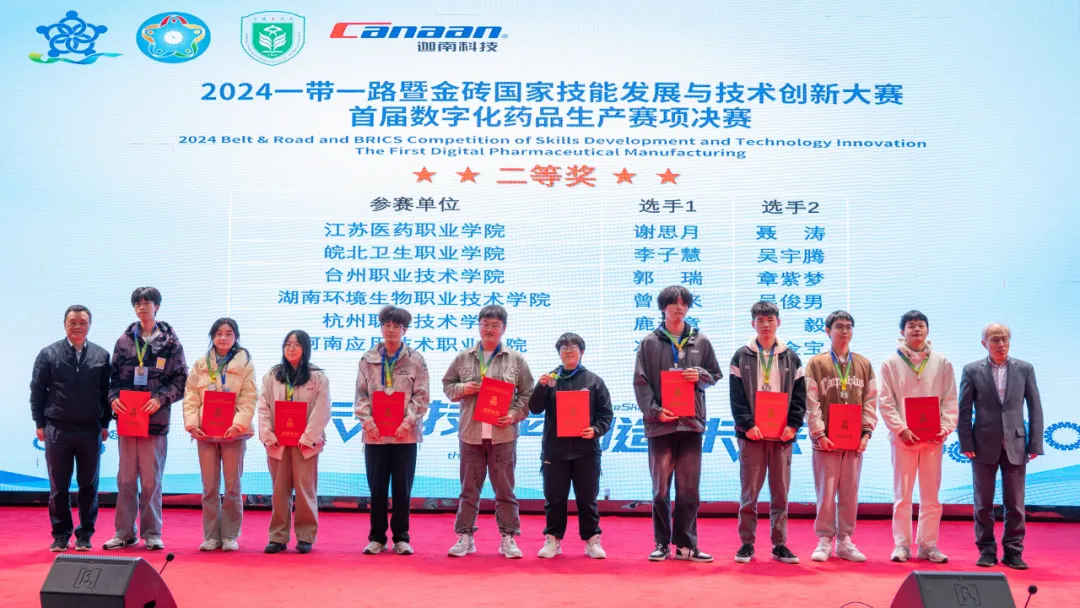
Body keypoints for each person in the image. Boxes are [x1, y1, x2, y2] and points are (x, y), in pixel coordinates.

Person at [634, 286, 722, 563]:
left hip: (691, 425)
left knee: (689, 489)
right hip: (660, 425)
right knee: (660, 490)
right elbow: (640, 383)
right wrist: (656, 412)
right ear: (663, 307)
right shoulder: (649, 343)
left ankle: (686, 545)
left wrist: (701, 375)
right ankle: (662, 543)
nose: (679, 308)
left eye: (684, 303)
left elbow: (715, 375)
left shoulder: (701, 341)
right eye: (674, 303)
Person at [443, 305, 535, 559]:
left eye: (495, 325)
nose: (489, 329)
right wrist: (463, 388)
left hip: (503, 435)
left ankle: (508, 538)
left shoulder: (516, 359)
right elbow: (448, 386)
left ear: (504, 328)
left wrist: (513, 415)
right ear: (479, 326)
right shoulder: (463, 357)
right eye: (485, 324)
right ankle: (465, 537)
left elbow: (528, 394)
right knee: (469, 490)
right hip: (470, 434)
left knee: (505, 490)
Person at [103, 287, 187, 551]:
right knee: (126, 479)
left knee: (151, 481)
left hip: (155, 421)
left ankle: (152, 533)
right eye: (137, 304)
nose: (142, 308)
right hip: (128, 420)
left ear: (157, 307)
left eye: (147, 303)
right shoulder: (124, 341)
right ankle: (124, 532)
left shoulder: (171, 343)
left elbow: (181, 381)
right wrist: (113, 399)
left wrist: (160, 399)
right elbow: (111, 379)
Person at [959, 323, 1043, 570]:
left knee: (1015, 504)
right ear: (984, 343)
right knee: (983, 503)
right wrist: (966, 441)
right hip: (982, 444)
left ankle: (1013, 551)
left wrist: (1035, 442)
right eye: (995, 339)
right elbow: (964, 410)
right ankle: (986, 551)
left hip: (1016, 444)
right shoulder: (972, 370)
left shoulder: (1025, 369)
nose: (1001, 344)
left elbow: (1035, 407)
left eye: (1005, 339)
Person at [877, 310, 958, 564]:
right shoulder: (891, 362)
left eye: (921, 325)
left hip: (933, 440)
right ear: (902, 331)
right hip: (904, 440)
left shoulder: (942, 362)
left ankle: (928, 545)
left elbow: (950, 399)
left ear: (927, 330)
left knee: (931, 496)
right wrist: (901, 429)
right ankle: (901, 545)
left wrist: (944, 428)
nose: (916, 330)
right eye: (911, 326)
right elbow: (885, 401)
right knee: (903, 496)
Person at [730, 300, 806, 565]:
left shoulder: (791, 357)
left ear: (778, 323)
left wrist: (793, 425)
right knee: (749, 493)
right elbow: (736, 396)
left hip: (782, 436)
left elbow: (800, 396)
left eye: (770, 320)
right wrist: (747, 425)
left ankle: (779, 544)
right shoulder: (741, 356)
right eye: (760, 320)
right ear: (753, 324)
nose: (765, 325)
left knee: (780, 493)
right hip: (752, 435)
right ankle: (747, 543)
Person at [30, 305, 111, 552]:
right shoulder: (48, 354)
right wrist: (39, 423)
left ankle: (85, 534)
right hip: (57, 429)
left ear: (90, 325)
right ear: (65, 324)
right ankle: (61, 534)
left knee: (89, 486)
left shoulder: (101, 355)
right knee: (59, 486)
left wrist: (105, 424)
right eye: (72, 322)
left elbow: (107, 393)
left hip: (90, 429)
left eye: (83, 322)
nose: (77, 326)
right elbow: (37, 390)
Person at [529, 332, 614, 559]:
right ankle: (553, 540)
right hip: (555, 450)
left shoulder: (594, 381)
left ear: (581, 351)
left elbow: (606, 414)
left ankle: (592, 540)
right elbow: (534, 408)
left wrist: (595, 430)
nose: (568, 351)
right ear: (559, 353)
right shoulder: (550, 379)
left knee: (587, 498)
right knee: (554, 498)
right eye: (563, 347)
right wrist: (540, 387)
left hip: (586, 451)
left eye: (573, 347)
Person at [354, 306, 430, 556]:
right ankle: (376, 538)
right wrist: (369, 423)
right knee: (376, 489)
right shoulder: (367, 359)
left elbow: (422, 396)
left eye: (396, 326)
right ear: (381, 328)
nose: (391, 330)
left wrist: (406, 423)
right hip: (375, 436)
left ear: (404, 330)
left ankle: (401, 538)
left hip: (404, 436)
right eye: (387, 325)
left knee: (402, 489)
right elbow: (360, 395)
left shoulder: (416, 360)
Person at [804, 310, 878, 562]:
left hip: (854, 441)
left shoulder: (864, 364)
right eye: (839, 326)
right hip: (825, 441)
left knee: (849, 492)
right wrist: (819, 433)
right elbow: (811, 402)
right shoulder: (817, 363)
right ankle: (824, 540)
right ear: (828, 331)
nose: (844, 331)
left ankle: (845, 540)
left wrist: (866, 433)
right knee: (826, 492)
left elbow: (871, 400)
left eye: (848, 326)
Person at [182, 318, 257, 552]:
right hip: (205, 433)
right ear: (212, 337)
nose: (223, 338)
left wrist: (238, 425)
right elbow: (191, 397)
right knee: (209, 487)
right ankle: (211, 535)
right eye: (218, 333)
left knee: (233, 486)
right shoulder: (200, 364)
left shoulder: (245, 364)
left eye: (228, 333)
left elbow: (249, 398)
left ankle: (230, 535)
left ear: (236, 337)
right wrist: (192, 425)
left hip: (233, 434)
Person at [257, 330, 331, 554]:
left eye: (296, 344)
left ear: (305, 349)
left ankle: (306, 536)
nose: (291, 348)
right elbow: (263, 407)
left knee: (305, 490)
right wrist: (268, 435)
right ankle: (278, 537)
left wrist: (308, 437)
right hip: (278, 443)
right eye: (287, 344)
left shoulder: (317, 377)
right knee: (279, 491)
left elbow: (322, 409)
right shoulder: (273, 375)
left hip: (304, 445)